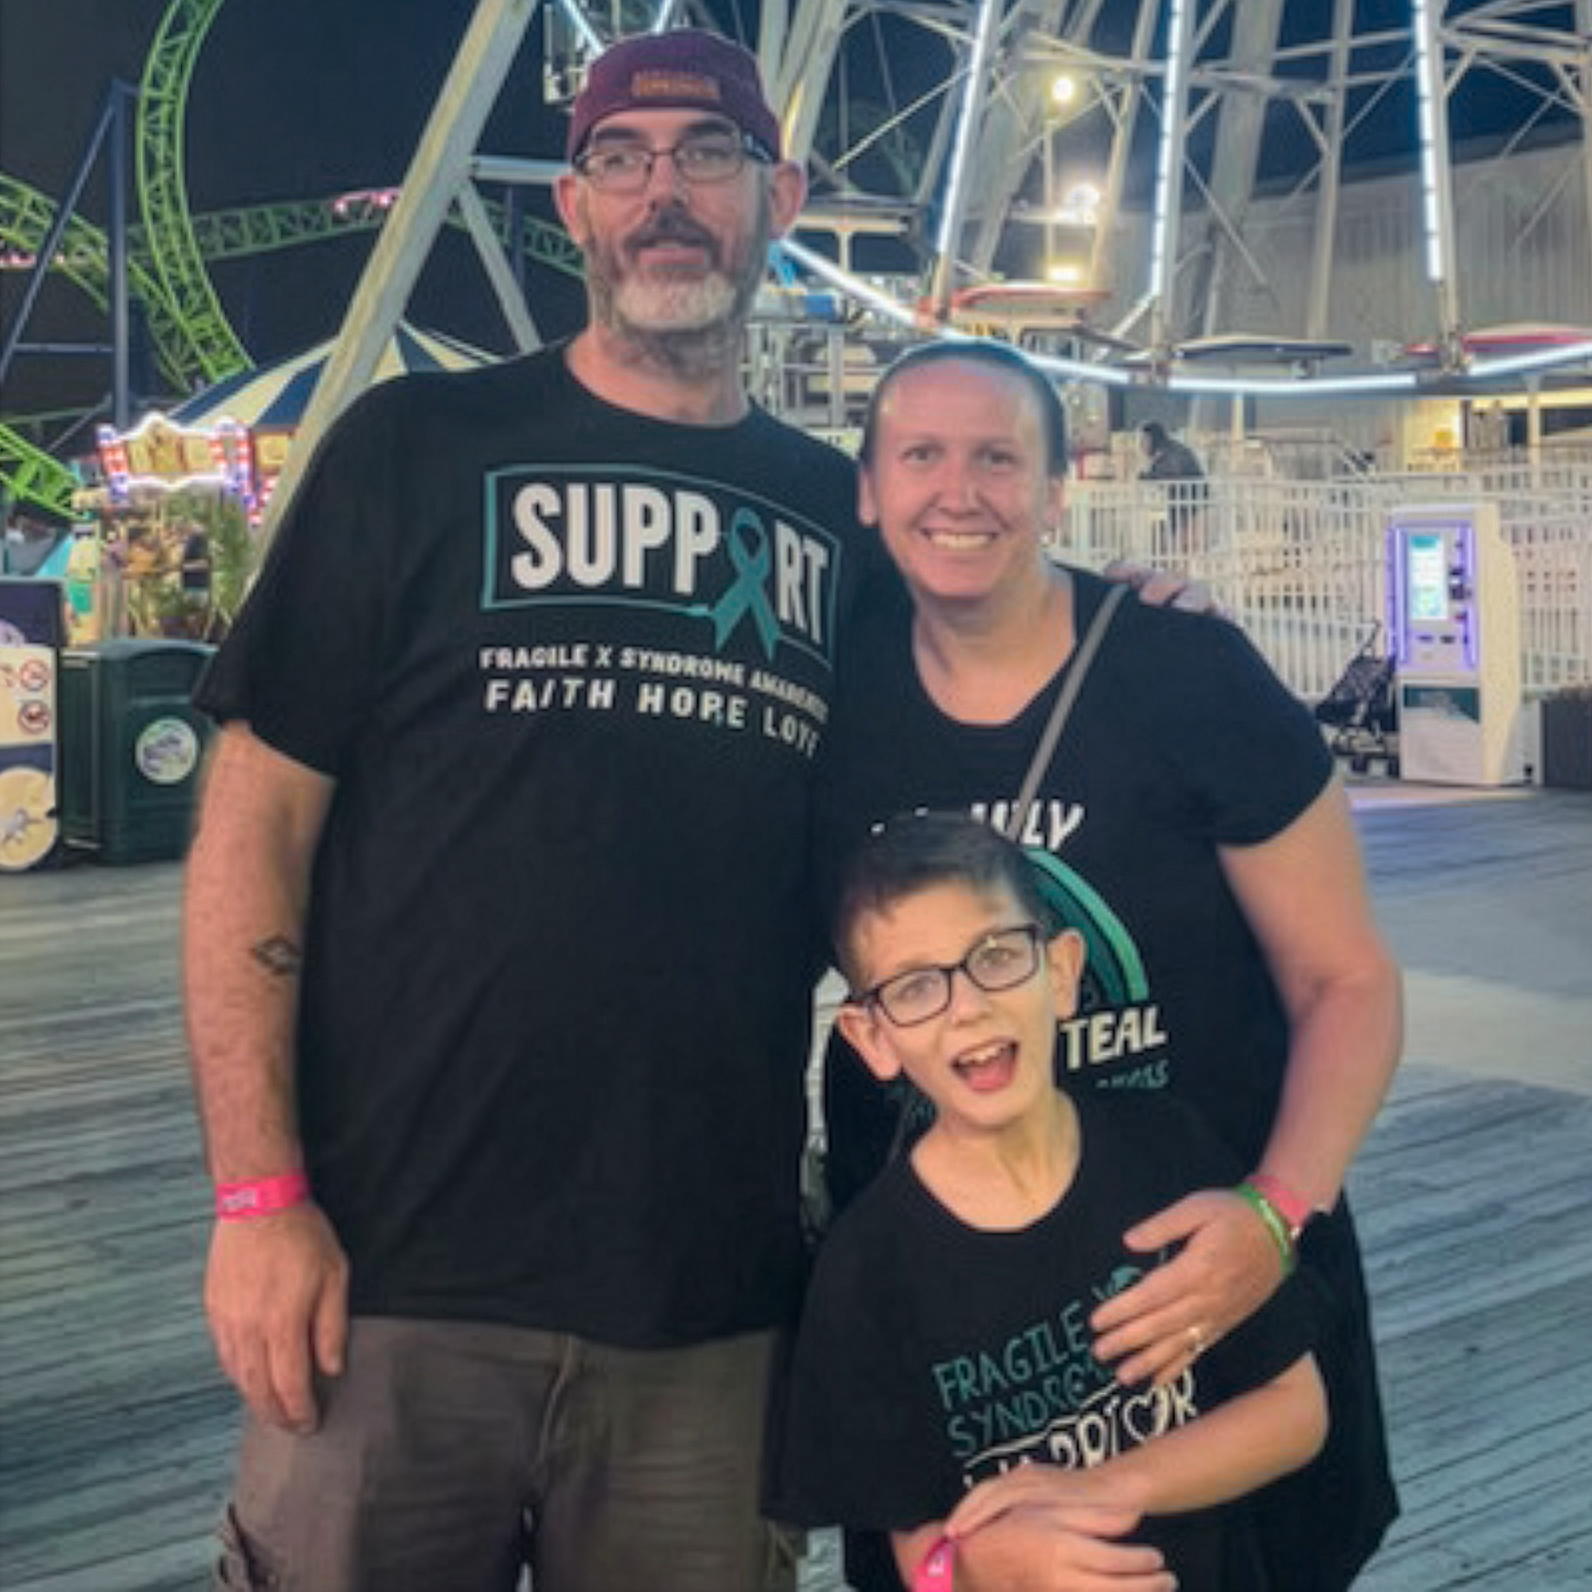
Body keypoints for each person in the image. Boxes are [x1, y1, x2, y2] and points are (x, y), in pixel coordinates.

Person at [816, 341, 1402, 1591]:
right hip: (958, 1317)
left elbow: (1345, 981)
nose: (956, 491)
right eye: (918, 455)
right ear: (864, 492)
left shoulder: (1181, 669)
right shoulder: (835, 686)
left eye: (996, 457)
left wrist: (1273, 1213)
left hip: (1210, 1270)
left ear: (1059, 484)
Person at [775, 813, 1330, 1591]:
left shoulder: (1168, 1154)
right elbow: (914, 1559)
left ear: (1062, 972)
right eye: (916, 986)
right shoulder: (868, 1273)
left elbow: (1296, 1411)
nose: (967, 1006)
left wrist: (1107, 1485)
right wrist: (971, 1567)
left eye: (997, 956)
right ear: (872, 1038)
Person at [1138, 420, 1206, 551]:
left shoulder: (1168, 453)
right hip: (1187, 497)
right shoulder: (1171, 449)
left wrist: (1148, 477)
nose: (1142, 444)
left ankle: (1174, 557)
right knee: (1176, 532)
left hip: (1187, 497)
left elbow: (1169, 474)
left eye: (1144, 440)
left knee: (1178, 534)